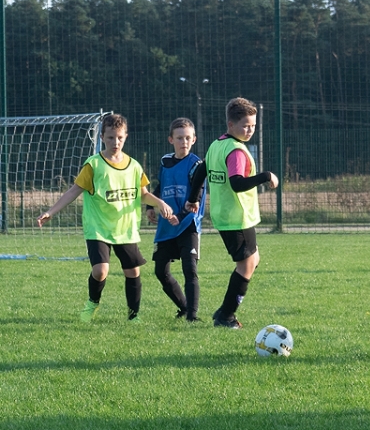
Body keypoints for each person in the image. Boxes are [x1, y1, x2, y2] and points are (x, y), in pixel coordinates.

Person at [37, 113, 174, 322]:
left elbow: (144, 193)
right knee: (101, 271)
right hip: (98, 227)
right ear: (102, 137)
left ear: (126, 136)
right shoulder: (94, 165)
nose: (115, 142)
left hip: (125, 229)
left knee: (133, 272)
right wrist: (51, 211)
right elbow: (74, 190)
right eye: (110, 138)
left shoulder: (134, 166)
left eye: (119, 137)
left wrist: (160, 203)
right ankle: (92, 302)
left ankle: (133, 315)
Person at [203, 98, 278, 329]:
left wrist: (191, 199)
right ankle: (226, 316)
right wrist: (265, 176)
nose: (250, 130)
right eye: (245, 125)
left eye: (253, 125)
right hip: (236, 217)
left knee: (253, 260)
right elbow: (237, 183)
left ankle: (224, 308)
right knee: (246, 265)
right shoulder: (235, 151)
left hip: (228, 215)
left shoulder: (217, 144)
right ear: (231, 124)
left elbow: (200, 171)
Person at [147, 118, 207, 322]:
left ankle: (193, 316)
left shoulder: (196, 165)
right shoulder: (165, 161)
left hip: (188, 224)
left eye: (188, 138)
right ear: (171, 139)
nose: (184, 141)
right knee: (160, 271)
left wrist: (180, 216)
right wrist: (149, 206)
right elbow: (160, 186)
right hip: (166, 226)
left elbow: (196, 197)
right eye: (180, 138)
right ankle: (183, 307)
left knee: (189, 269)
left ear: (194, 139)